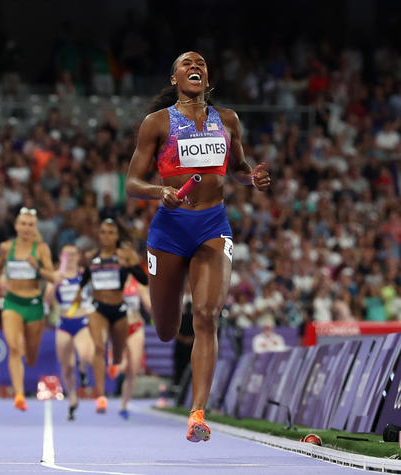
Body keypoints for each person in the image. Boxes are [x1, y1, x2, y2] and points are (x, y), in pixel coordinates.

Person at [125, 51, 271, 442]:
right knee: (168, 328)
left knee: (207, 315)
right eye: (186, 63)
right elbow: (131, 183)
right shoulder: (156, 123)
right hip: (169, 229)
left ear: (207, 77)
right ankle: (171, 333)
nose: (195, 66)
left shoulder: (228, 120)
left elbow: (238, 169)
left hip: (212, 225)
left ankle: (198, 413)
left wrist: (251, 177)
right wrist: (161, 191)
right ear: (175, 78)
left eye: (201, 63)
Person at [74, 219, 148, 414]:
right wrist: (78, 295)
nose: (106, 236)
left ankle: (116, 363)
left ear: (116, 236)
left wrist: (132, 264)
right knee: (98, 347)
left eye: (110, 232)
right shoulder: (92, 257)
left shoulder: (123, 257)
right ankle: (100, 396)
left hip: (119, 309)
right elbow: (85, 279)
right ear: (98, 236)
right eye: (103, 232)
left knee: (118, 357)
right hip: (98, 308)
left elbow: (143, 280)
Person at [0, 207, 56, 411]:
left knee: (31, 358)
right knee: (15, 348)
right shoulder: (7, 247)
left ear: (35, 227)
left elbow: (52, 277)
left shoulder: (42, 248)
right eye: (23, 224)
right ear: (16, 226)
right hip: (12, 303)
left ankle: (28, 356)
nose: (26, 228)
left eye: (30, 224)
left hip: (34, 305)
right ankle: (19, 395)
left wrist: (38, 268)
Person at [44, 244, 94, 421]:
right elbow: (48, 300)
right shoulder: (57, 276)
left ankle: (83, 369)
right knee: (66, 367)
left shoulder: (84, 274)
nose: (71, 257)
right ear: (61, 257)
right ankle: (73, 399)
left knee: (86, 355)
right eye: (67, 254)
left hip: (82, 321)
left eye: (73, 254)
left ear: (78, 257)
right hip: (64, 322)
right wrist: (54, 284)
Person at [118, 275, 151, 420]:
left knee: (133, 369)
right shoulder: (112, 281)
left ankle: (124, 405)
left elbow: (150, 306)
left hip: (135, 327)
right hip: (118, 328)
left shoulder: (138, 284)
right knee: (119, 367)